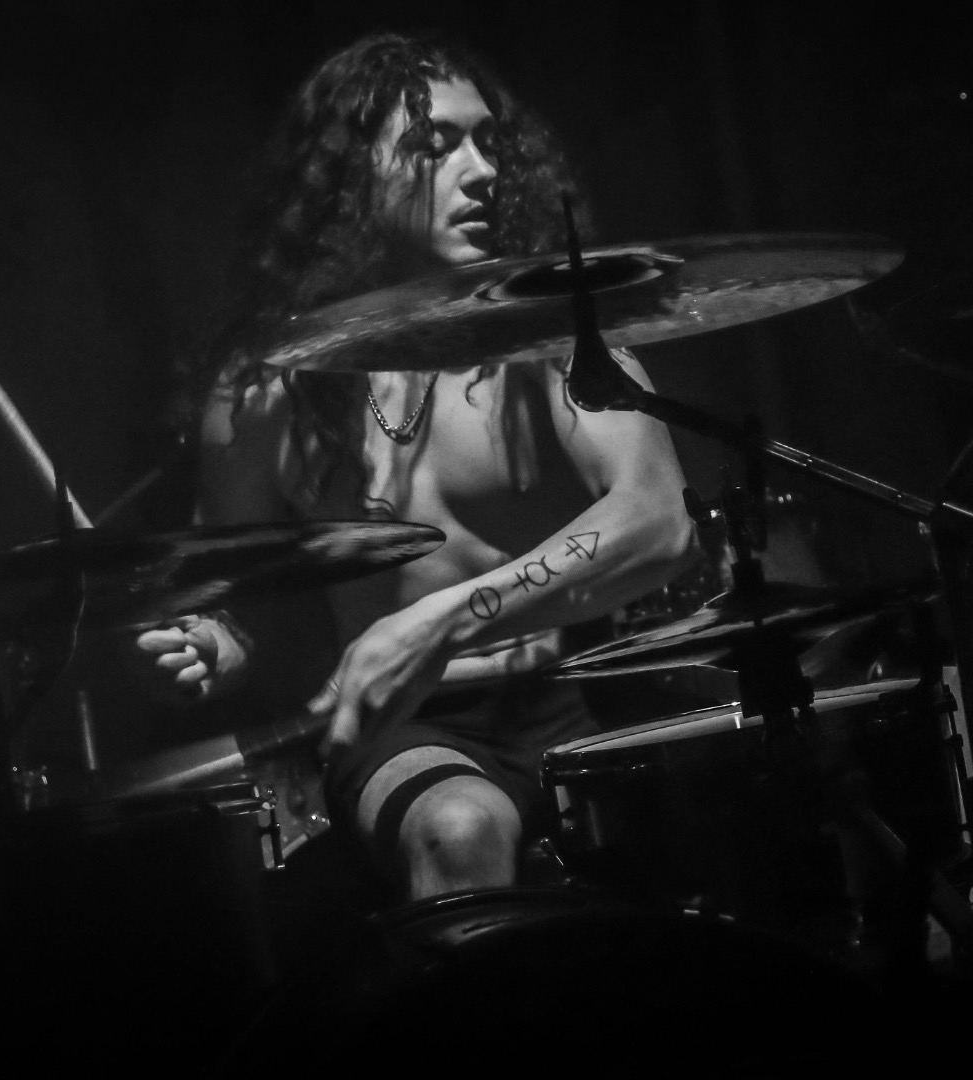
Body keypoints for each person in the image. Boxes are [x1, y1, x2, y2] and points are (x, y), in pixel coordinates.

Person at [133, 32, 694, 901]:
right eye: (437, 147)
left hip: (576, 691)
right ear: (352, 179)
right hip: (406, 731)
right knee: (458, 828)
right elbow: (245, 603)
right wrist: (210, 646)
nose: (483, 172)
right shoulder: (266, 387)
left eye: (489, 143)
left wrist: (442, 622)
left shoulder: (547, 335)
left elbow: (659, 520)